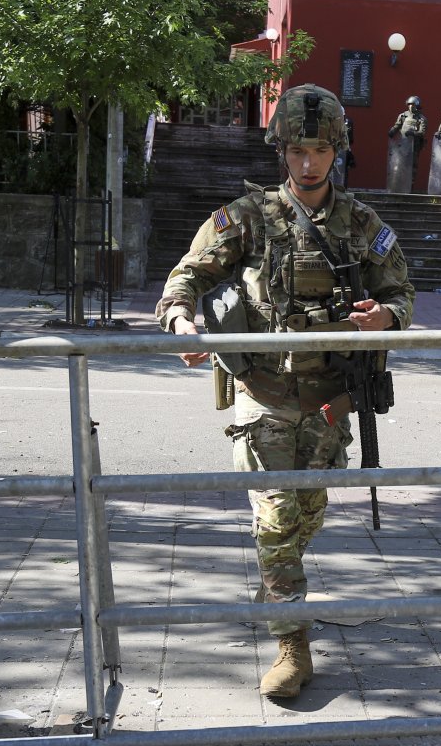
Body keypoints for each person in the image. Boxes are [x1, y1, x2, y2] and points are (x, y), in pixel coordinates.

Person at [156, 84, 416, 700]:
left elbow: (403, 296)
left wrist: (387, 317)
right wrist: (182, 322)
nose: (308, 162)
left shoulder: (363, 226)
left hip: (330, 399)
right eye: (297, 149)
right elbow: (185, 278)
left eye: (319, 149)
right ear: (281, 150)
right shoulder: (245, 218)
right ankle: (291, 644)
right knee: (275, 521)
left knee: (307, 514)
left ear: (337, 150)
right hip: (263, 391)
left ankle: (277, 585)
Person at [386, 96, 426, 193]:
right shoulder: (403, 116)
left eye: (413, 104)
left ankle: (410, 187)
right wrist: (393, 130)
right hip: (402, 144)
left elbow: (422, 132)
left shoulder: (421, 118)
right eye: (409, 104)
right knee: (400, 165)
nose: (411, 106)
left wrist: (413, 133)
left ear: (417, 106)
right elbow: (397, 125)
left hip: (414, 146)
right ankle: (398, 186)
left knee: (412, 166)